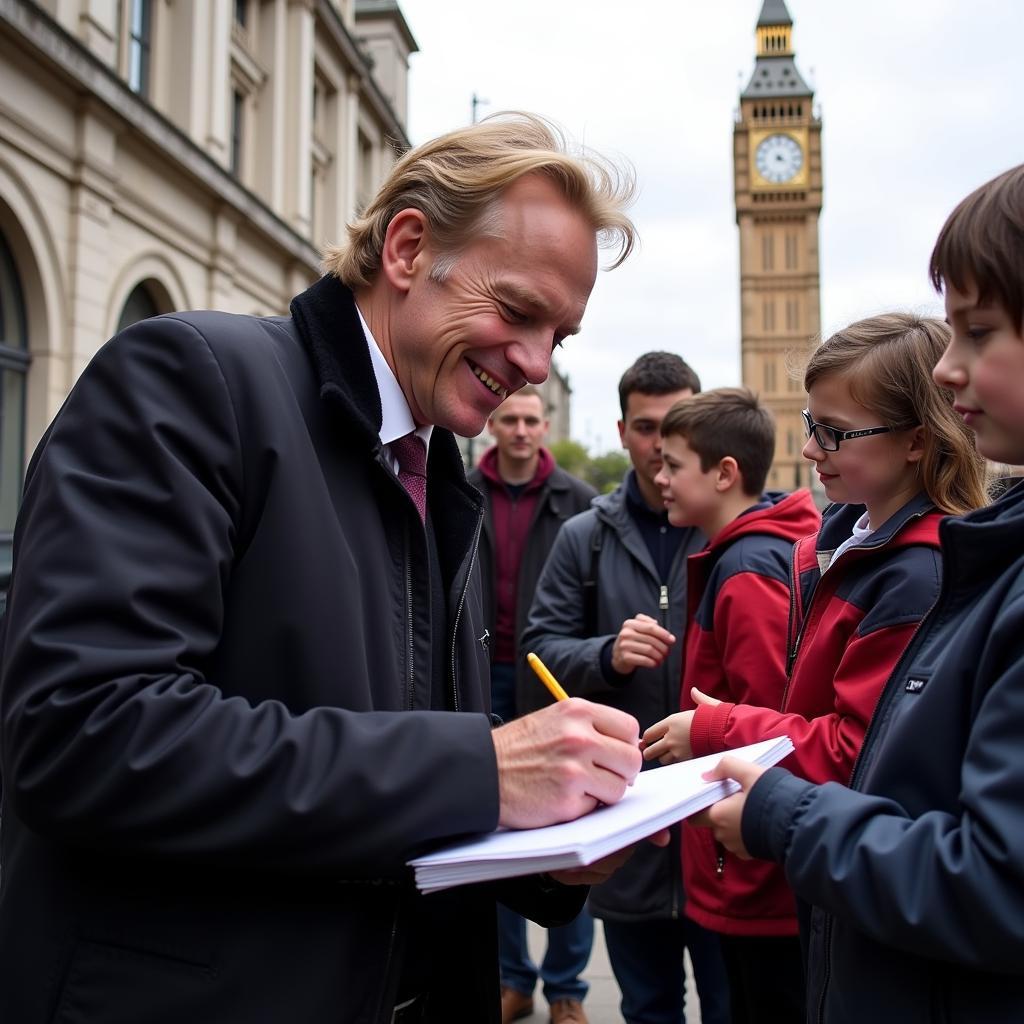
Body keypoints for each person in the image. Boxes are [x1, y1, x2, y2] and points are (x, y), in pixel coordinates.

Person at [0, 113, 659, 1024]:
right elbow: (84, 734)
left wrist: (546, 840)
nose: (535, 365)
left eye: (562, 336)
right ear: (407, 247)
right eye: (515, 310)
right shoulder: (193, 379)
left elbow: (383, 777)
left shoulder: (439, 469)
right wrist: (481, 772)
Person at [685, 164, 1024, 1022]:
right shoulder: (872, 548)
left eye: (977, 332)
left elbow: (980, 868)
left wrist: (761, 784)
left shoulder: (923, 568)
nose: (953, 368)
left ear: (914, 445)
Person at [644, 314, 986, 1004]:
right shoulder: (851, 548)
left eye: (834, 432)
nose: (808, 448)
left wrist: (715, 730)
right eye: (810, 422)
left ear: (917, 439)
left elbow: (854, 750)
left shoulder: (912, 574)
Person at [523, 352, 731, 1024]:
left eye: (679, 426)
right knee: (646, 1007)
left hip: (720, 827)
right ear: (620, 431)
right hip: (629, 822)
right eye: (647, 427)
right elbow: (538, 648)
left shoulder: (737, 535)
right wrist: (607, 655)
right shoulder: (584, 536)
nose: (662, 445)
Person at [642, 387, 819, 1022]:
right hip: (751, 859)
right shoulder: (747, 553)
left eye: (672, 464)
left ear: (724, 474)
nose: (658, 478)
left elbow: (773, 719)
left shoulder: (746, 568)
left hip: (755, 869)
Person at [467, 386, 598, 1024]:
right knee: (499, 835)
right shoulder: (459, 488)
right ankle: (513, 979)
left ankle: (568, 991)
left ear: (546, 427)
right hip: (477, 677)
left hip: (551, 681)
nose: (520, 430)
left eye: (531, 420)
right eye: (509, 419)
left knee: (573, 842)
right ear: (493, 426)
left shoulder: (580, 502)